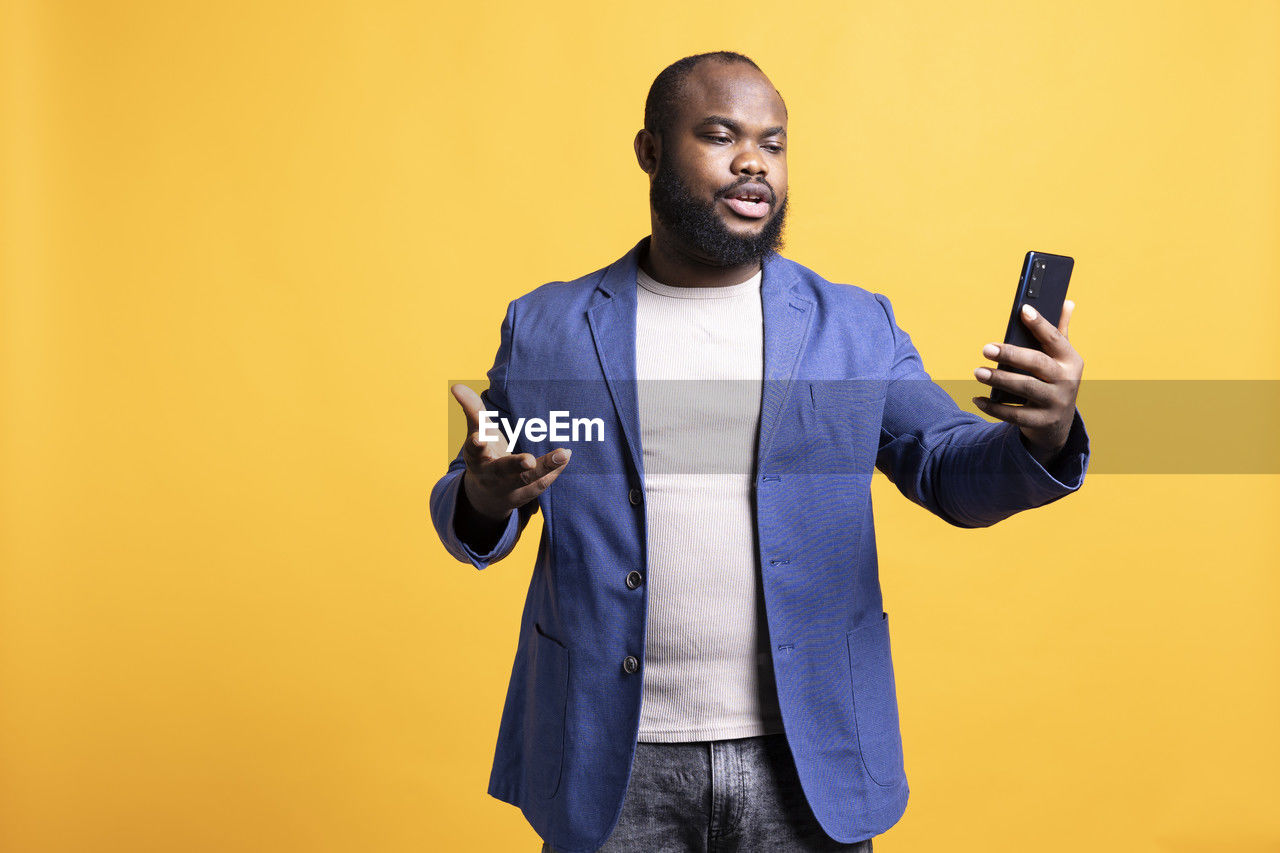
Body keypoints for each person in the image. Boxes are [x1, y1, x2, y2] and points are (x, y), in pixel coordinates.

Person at [430, 51, 1089, 853]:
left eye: (773, 143)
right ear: (649, 151)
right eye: (720, 135)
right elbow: (479, 483)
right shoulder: (549, 327)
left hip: (808, 762)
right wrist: (488, 496)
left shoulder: (853, 326)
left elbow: (949, 468)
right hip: (609, 758)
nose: (753, 160)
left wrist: (1043, 432)